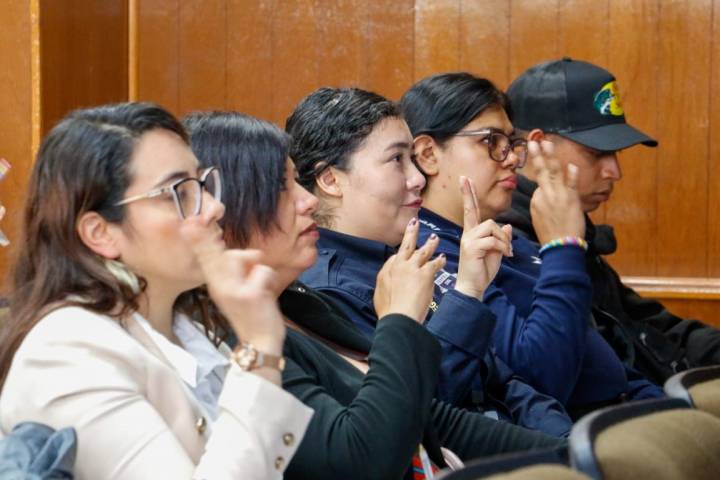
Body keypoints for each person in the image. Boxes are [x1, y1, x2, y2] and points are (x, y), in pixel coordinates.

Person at [185, 110, 565, 480]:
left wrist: (571, 453)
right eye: (284, 187)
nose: (308, 201)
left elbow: (434, 416)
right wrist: (401, 318)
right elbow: (362, 458)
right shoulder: (242, 332)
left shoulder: (298, 302)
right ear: (224, 210)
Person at [0, 103, 312, 479]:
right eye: (178, 193)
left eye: (202, 184)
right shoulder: (66, 351)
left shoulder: (187, 332)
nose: (215, 207)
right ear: (101, 233)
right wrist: (259, 347)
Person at [286, 86, 575, 436]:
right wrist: (467, 294)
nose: (418, 178)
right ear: (332, 180)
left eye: (412, 159)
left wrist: (565, 440)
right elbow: (423, 410)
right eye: (397, 160)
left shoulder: (404, 253)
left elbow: (504, 381)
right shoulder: (329, 290)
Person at [399, 72, 663, 419]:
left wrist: (667, 405)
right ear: (429, 155)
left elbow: (603, 361)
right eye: (491, 141)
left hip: (630, 412)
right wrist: (563, 246)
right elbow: (543, 379)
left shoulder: (503, 236)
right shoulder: (431, 253)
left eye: (512, 143)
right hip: (574, 436)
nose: (511, 158)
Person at [499, 57, 720, 384]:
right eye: (597, 153)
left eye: (615, 154)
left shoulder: (575, 227)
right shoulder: (509, 241)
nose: (615, 171)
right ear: (538, 145)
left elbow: (650, 326)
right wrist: (563, 249)